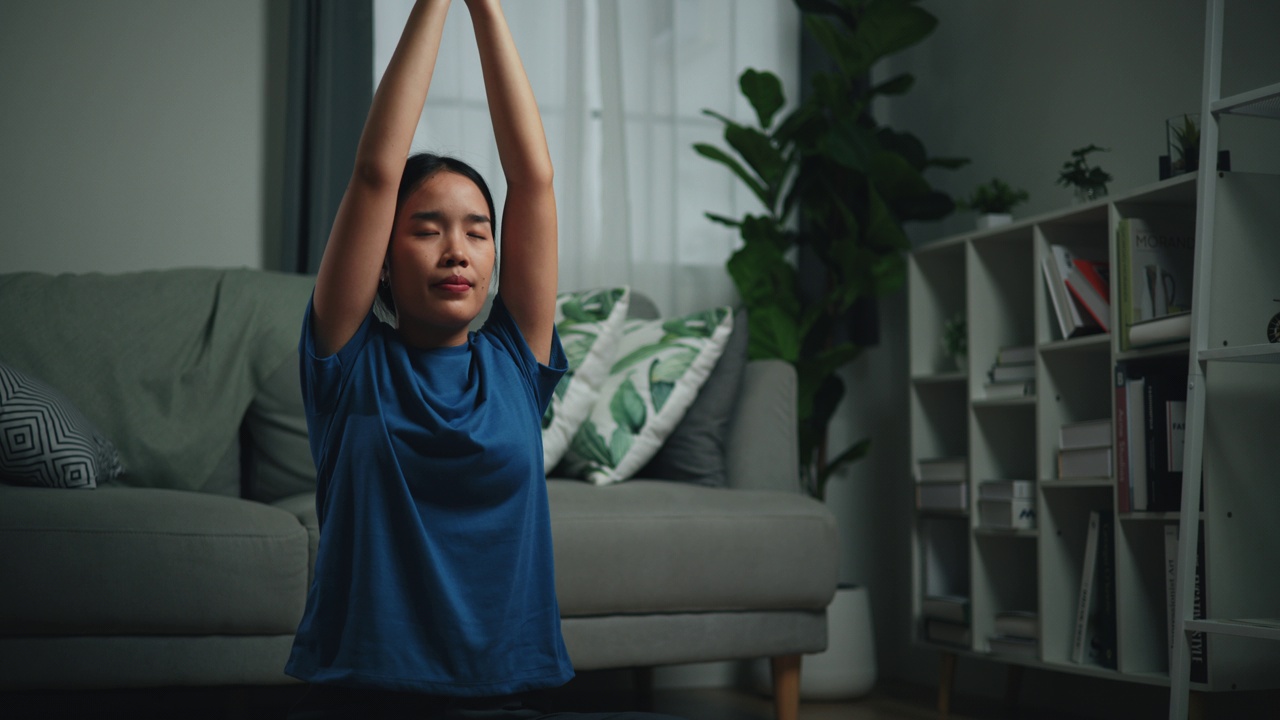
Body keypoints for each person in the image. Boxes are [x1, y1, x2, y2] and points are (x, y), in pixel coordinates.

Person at [284, 1, 686, 718]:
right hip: (360, 691)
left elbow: (533, 179)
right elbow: (376, 172)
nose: (456, 251)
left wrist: (487, 7)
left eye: (477, 232)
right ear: (380, 259)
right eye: (427, 230)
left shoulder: (514, 359)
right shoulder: (345, 363)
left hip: (506, 690)